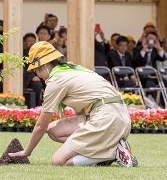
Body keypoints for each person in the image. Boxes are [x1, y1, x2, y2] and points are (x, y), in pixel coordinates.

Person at [9, 41, 138, 167]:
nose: (37, 74)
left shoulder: (56, 80)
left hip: (105, 118)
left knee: (58, 161)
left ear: (43, 65)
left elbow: (41, 126)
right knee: (53, 130)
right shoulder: (73, 69)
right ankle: (109, 148)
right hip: (120, 116)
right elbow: (81, 106)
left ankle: (113, 152)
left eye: (35, 70)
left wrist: (27, 151)